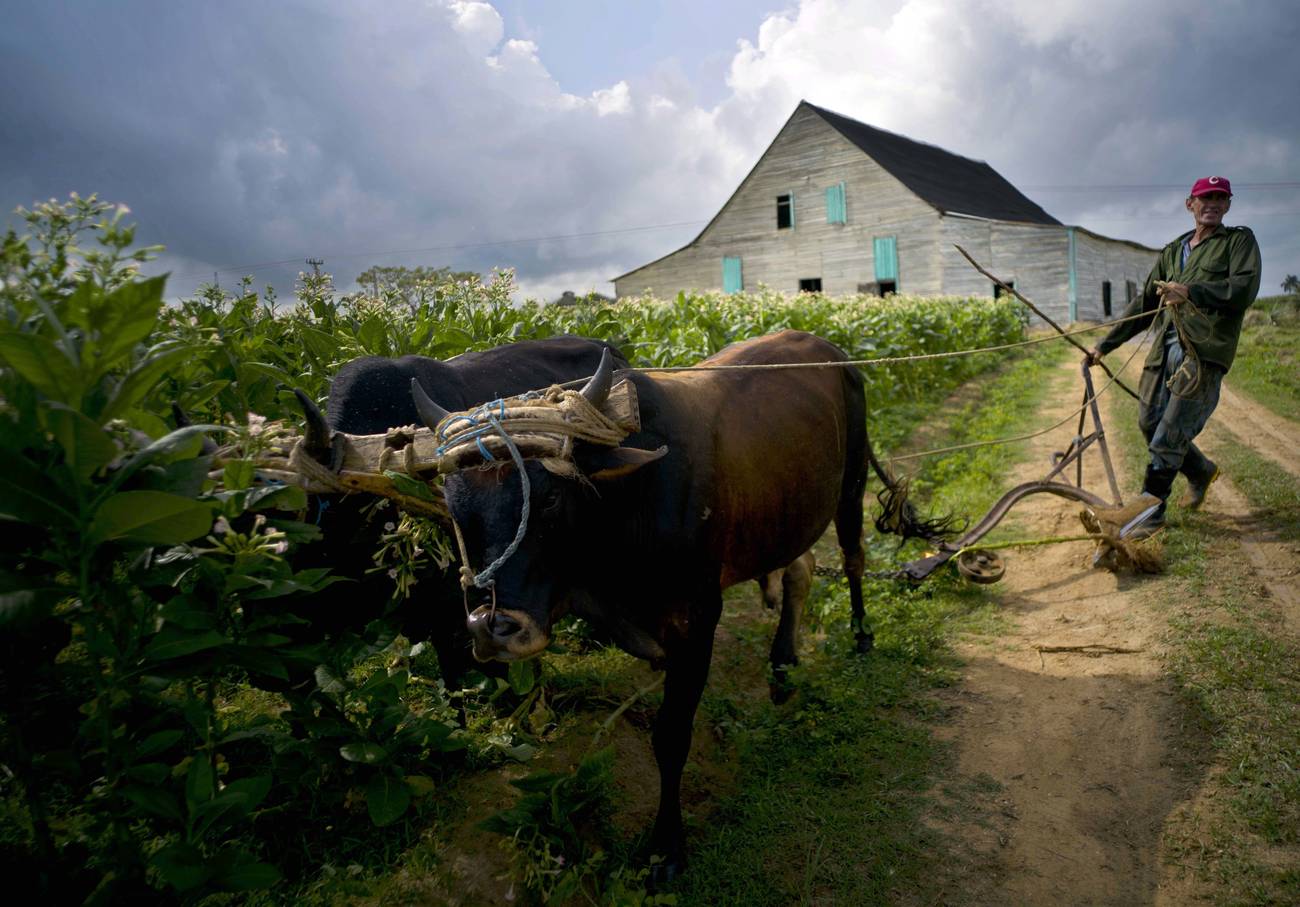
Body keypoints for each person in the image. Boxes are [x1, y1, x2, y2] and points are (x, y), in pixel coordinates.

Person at [1085, 175, 1261, 538]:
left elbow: (1242, 289)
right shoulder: (1172, 251)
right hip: (1164, 345)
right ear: (1190, 205)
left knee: (1169, 434)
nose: (1212, 203)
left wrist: (1191, 291)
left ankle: (1150, 513)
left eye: (1219, 198)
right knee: (1150, 422)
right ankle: (1200, 472)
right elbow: (1145, 303)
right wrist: (1105, 345)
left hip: (1202, 350)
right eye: (1204, 198)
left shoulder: (1238, 241)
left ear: (1228, 205)